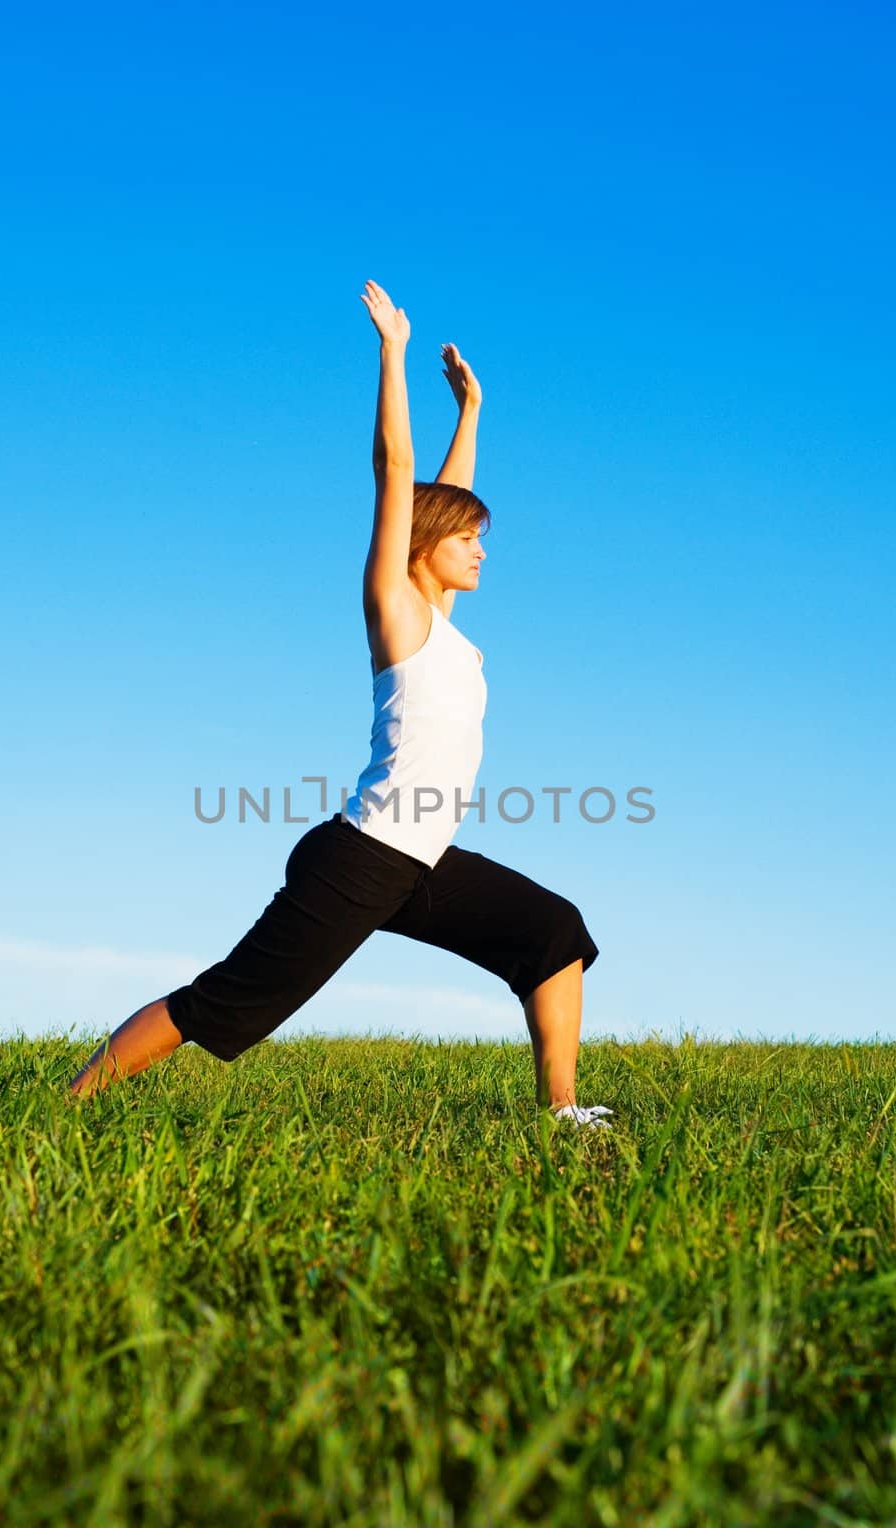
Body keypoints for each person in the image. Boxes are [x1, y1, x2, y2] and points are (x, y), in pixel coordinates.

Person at [68, 281, 613, 1127]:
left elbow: (442, 494)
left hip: (418, 858)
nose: (479, 553)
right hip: (361, 859)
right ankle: (62, 1107)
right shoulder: (395, 613)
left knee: (552, 933)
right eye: (467, 541)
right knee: (221, 1005)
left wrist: (471, 411)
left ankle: (559, 1115)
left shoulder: (441, 623)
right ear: (426, 548)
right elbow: (397, 476)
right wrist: (392, 355)